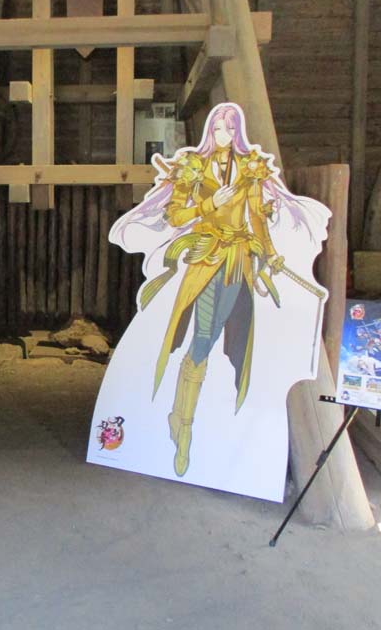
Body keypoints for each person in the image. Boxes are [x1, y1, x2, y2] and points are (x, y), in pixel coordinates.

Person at [111, 103, 315, 477]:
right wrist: (208, 204)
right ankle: (183, 426)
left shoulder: (251, 167)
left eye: (229, 128)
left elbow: (257, 217)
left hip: (238, 261)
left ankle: (183, 416)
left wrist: (270, 253)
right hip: (206, 258)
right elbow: (175, 215)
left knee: (220, 336)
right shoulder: (195, 165)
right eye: (218, 128)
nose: (224, 135)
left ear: (238, 131)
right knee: (202, 337)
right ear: (210, 131)